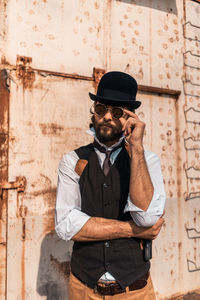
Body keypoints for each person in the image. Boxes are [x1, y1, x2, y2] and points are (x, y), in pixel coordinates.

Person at [55, 71, 166, 299]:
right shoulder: (73, 161)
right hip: (83, 288)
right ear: (93, 113)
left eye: (117, 112)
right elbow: (66, 225)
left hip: (134, 291)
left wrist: (136, 148)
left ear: (130, 119)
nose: (107, 116)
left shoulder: (148, 160)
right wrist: (133, 230)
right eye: (101, 109)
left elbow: (146, 217)